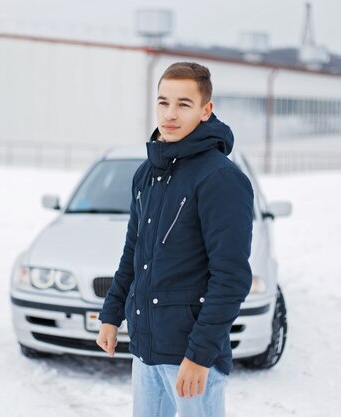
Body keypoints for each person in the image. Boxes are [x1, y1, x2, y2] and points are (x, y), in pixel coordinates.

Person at [97, 61, 254, 417]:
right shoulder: (147, 174)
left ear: (205, 110)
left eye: (184, 104)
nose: (170, 114)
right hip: (147, 347)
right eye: (163, 102)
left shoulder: (221, 179)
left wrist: (199, 356)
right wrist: (111, 314)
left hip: (190, 355)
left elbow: (231, 278)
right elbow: (133, 254)